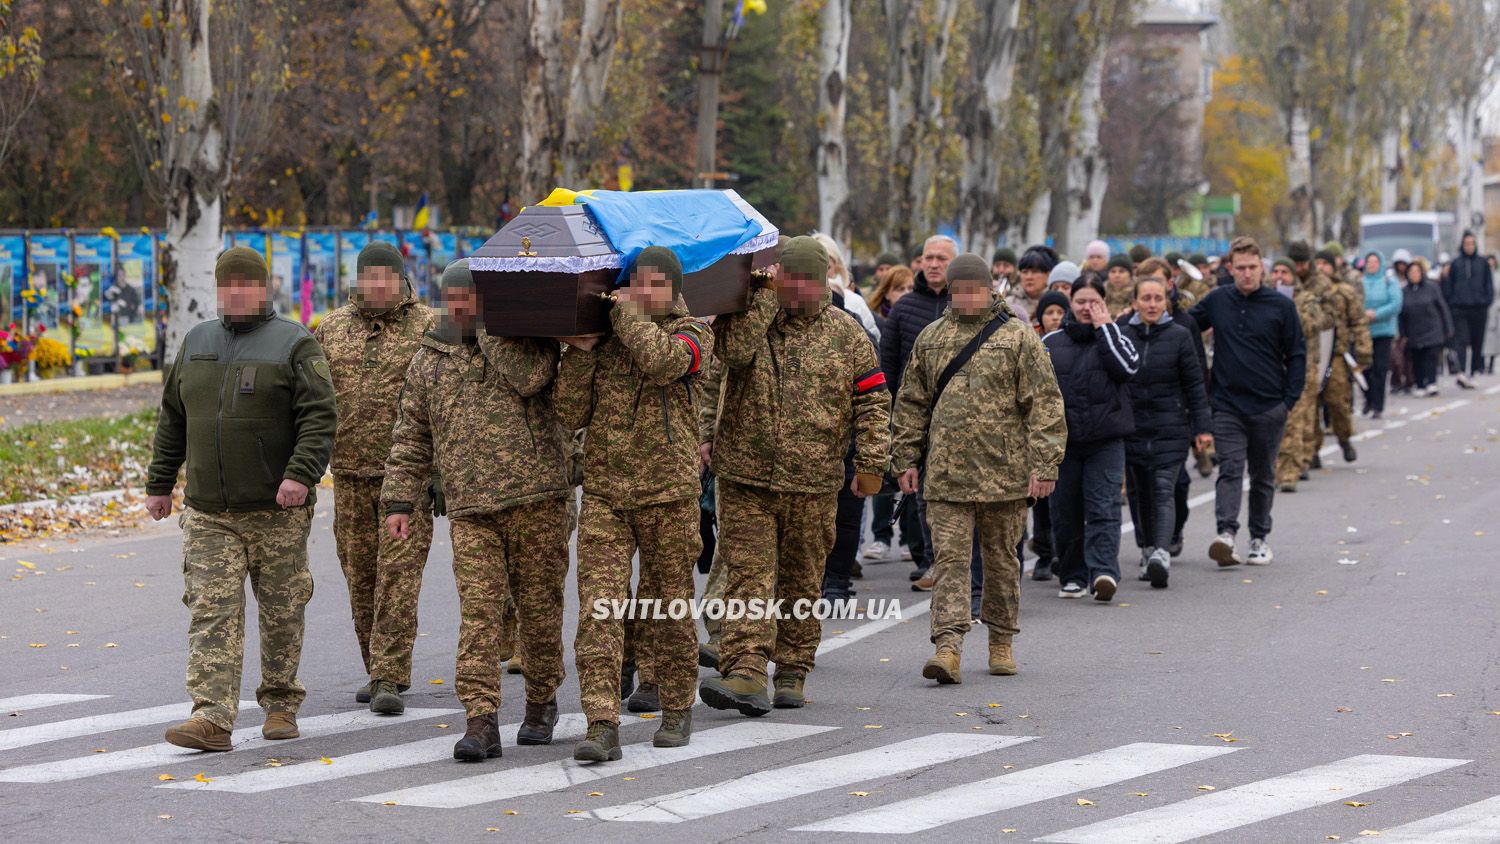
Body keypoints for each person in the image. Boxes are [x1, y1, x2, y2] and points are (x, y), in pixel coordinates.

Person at [145, 246, 337, 751]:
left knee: (281, 610)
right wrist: (160, 483)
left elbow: (319, 419)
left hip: (278, 511)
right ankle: (211, 717)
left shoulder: (295, 344)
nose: (236, 293)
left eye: (245, 285)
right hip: (209, 511)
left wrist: (301, 475)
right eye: (227, 285)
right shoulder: (197, 341)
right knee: (212, 610)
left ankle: (279, 704)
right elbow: (173, 417)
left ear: (264, 287)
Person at [382, 259, 571, 761]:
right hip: (470, 508)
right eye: (455, 298)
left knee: (538, 609)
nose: (461, 306)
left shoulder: (528, 342)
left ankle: (540, 701)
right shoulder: (429, 359)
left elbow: (534, 381)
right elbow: (411, 435)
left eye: (473, 298)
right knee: (479, 615)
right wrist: (400, 500)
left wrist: (492, 332)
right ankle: (481, 718)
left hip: (539, 500)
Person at [698, 236, 890, 717]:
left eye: (807, 280)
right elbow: (728, 362)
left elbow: (872, 401)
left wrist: (871, 463)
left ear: (824, 279)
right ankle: (744, 670)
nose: (798, 290)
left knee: (802, 581)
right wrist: (761, 303)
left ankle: (791, 670)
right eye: (790, 280)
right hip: (745, 475)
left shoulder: (847, 335)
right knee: (748, 578)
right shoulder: (749, 320)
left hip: (814, 480)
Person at [554, 246, 710, 762]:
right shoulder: (611, 340)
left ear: (671, 289)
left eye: (651, 285)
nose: (640, 292)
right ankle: (602, 722)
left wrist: (623, 313)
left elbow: (665, 363)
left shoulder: (694, 334)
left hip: (669, 494)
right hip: (606, 493)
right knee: (600, 609)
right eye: (633, 283)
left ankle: (676, 706)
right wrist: (579, 352)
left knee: (670, 606)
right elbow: (569, 411)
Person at [891, 254, 1065, 682]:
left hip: (1005, 476)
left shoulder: (1018, 338)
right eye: (960, 290)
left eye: (976, 289)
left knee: (1003, 561)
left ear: (991, 290)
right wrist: (905, 459)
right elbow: (910, 403)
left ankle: (1001, 641)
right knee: (949, 563)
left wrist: (1045, 465)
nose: (968, 297)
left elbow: (1044, 404)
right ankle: (947, 646)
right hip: (946, 476)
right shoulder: (931, 339)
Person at [313, 241, 436, 714]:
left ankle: (389, 673)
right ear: (359, 280)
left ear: (402, 281)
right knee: (360, 576)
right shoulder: (331, 328)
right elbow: (314, 399)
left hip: (406, 480)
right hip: (348, 476)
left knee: (398, 578)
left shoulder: (428, 326)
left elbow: (440, 399)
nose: (378, 285)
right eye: (371, 277)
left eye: (387, 277)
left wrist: (439, 471)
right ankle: (375, 665)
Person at [1188, 237, 1304, 567]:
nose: (1247, 274)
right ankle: (1226, 534)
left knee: (1264, 474)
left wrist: (1289, 400)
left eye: (1253, 267)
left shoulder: (1281, 306)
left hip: (1270, 406)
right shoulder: (1217, 300)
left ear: (1262, 268)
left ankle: (1259, 538)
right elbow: (1184, 327)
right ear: (1230, 269)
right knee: (1231, 469)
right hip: (1227, 405)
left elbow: (1297, 353)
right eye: (1241, 268)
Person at [1043, 271, 1140, 602]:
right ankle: (1072, 575)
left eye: (1094, 302)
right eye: (1081, 301)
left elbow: (1127, 368)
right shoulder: (1051, 343)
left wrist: (1105, 327)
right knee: (1065, 511)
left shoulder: (1117, 337)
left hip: (1106, 440)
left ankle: (1103, 572)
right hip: (1064, 443)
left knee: (1103, 507)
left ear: (1105, 304)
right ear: (1070, 302)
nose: (1087, 308)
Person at [1119, 273, 1212, 589]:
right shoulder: (1121, 333)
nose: (1152, 304)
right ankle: (1146, 549)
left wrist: (1202, 428)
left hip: (1170, 428)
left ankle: (1161, 552)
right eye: (1146, 298)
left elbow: (1195, 385)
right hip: (1132, 428)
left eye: (1158, 298)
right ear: (1134, 302)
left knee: (1162, 489)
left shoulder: (1179, 336)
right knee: (1140, 492)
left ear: (1167, 302)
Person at [880, 235, 957, 583]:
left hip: (961, 418)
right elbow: (889, 367)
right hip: (918, 417)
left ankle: (959, 564)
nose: (934, 263)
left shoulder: (967, 302)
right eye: (929, 257)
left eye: (942, 257)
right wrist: (892, 415)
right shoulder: (905, 308)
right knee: (921, 493)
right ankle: (929, 560)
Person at [1275, 244, 1334, 494]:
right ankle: (1287, 463)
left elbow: (1323, 320)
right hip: (1271, 367)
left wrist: (1292, 317)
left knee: (1301, 416)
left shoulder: (1308, 298)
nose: (1280, 277)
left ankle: (1293, 467)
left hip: (1303, 364)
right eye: (1276, 272)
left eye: (1284, 273)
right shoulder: (1265, 297)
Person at [1315, 248, 1373, 462]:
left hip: (1337, 355)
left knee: (1338, 402)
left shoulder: (1345, 292)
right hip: (1311, 357)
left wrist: (1364, 351)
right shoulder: (1307, 292)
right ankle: (1311, 450)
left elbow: (1358, 322)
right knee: (1309, 406)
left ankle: (1344, 438)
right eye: (1317, 263)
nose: (1321, 268)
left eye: (1325, 263)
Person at [1442, 230, 1493, 388]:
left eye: (1472, 243)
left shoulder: (1482, 263)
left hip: (1479, 308)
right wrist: (1452, 302)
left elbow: (1489, 285)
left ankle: (1474, 371)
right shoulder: (1456, 264)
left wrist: (1485, 301)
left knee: (1478, 341)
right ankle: (1461, 372)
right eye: (1466, 244)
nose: (1469, 246)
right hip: (1460, 308)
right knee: (1461, 340)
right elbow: (1448, 286)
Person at [1400, 257, 1454, 397]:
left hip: (1432, 328)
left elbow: (1442, 308)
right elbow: (1401, 314)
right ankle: (1420, 384)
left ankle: (1431, 382)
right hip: (1413, 330)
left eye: (1417, 271)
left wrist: (1448, 327)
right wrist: (1402, 333)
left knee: (1430, 357)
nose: (1414, 274)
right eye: (1411, 272)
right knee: (1417, 358)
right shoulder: (1404, 291)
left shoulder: (1432, 288)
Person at [1360, 250, 1402, 419]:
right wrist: (1363, 314)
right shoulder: (1360, 282)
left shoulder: (1389, 281)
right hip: (1363, 331)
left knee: (1380, 368)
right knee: (1364, 369)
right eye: (1369, 261)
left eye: (1375, 261)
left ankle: (1378, 405)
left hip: (1383, 331)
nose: (1372, 264)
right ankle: (1368, 398)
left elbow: (1396, 304)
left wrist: (1376, 314)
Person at [815, 233, 880, 342]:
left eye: (827, 267)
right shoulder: (802, 300)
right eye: (816, 268)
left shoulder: (854, 301)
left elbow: (873, 341)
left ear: (837, 265)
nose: (823, 274)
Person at [1006, 246, 1055, 323]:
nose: (1029, 277)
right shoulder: (1009, 304)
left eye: (1035, 272)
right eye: (1025, 272)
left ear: (1047, 275)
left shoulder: (1055, 301)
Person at [864, 264, 914, 331]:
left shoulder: (921, 317)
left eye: (910, 288)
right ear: (886, 294)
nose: (907, 293)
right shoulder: (872, 322)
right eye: (900, 289)